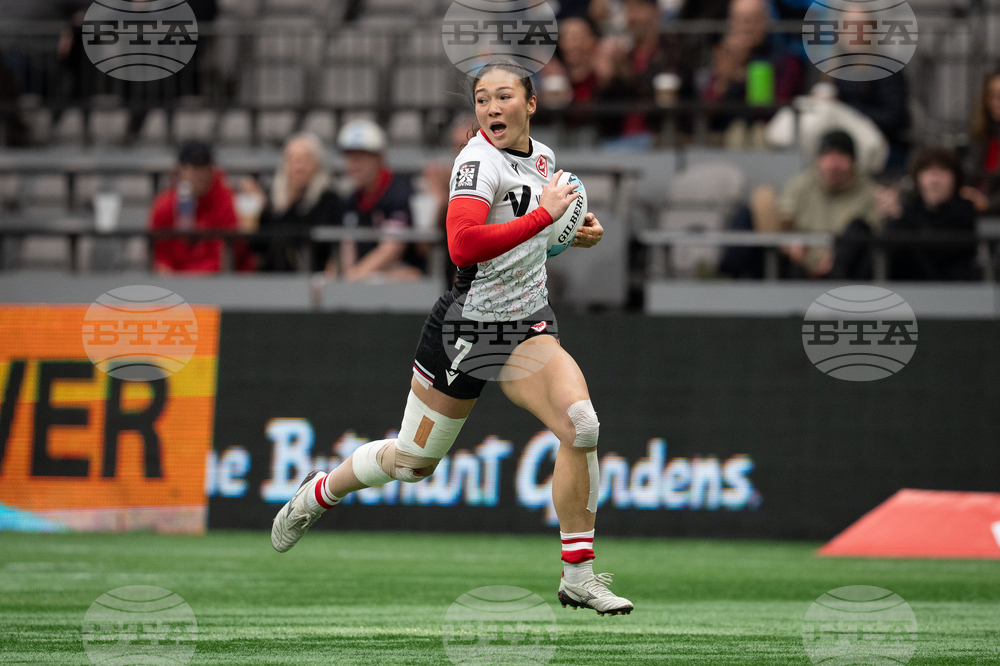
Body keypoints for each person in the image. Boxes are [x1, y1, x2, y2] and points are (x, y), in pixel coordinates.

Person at [270, 59, 634, 617]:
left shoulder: (543, 159)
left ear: (531, 103)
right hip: (468, 327)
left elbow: (529, 239)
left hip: (526, 324)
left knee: (581, 425)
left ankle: (578, 577)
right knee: (413, 463)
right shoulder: (476, 161)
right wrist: (545, 218)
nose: (491, 107)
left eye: (504, 96)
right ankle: (322, 491)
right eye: (482, 98)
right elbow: (463, 245)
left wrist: (571, 235)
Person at [721, 130, 879, 279]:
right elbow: (783, 220)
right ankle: (727, 279)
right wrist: (790, 244)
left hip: (844, 270)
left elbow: (872, 232)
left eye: (841, 156)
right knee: (745, 215)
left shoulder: (869, 192)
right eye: (827, 155)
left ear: (853, 161)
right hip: (797, 265)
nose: (832, 165)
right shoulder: (801, 185)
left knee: (859, 229)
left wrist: (833, 257)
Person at [334, 119, 423, 281]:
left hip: (400, 274)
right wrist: (350, 279)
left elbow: (392, 248)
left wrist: (353, 277)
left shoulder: (399, 190)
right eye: (350, 158)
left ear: (379, 158)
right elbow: (347, 248)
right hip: (362, 278)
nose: (354, 165)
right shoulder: (350, 200)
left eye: (360, 158)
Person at [593, 0, 688, 147]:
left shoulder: (674, 51)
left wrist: (625, 74)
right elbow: (603, 114)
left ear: (656, 11)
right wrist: (605, 82)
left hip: (661, 142)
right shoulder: (622, 57)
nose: (632, 16)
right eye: (628, 9)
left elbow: (677, 95)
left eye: (638, 8)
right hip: (616, 142)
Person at [700, 0, 804, 134]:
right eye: (740, 20)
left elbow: (774, 111)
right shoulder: (723, 55)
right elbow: (700, 116)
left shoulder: (786, 59)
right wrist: (722, 80)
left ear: (766, 20)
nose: (746, 27)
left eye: (754, 19)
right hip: (722, 137)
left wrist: (743, 76)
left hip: (769, 135)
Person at [243, 133, 340, 272]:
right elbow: (258, 246)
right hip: (273, 278)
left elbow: (314, 241)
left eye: (306, 159)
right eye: (293, 159)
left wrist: (292, 204)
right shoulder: (273, 201)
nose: (299, 166)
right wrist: (261, 210)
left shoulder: (329, 199)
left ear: (317, 165)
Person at [149, 141, 249, 273]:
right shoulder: (165, 204)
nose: (201, 174)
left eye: (205, 167)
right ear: (181, 169)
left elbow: (224, 258)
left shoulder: (226, 200)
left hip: (214, 281)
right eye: (194, 168)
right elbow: (160, 256)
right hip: (175, 281)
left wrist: (187, 278)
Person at [883, 148, 978, 281]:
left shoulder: (964, 212)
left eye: (942, 171)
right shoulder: (908, 211)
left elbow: (939, 254)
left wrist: (902, 220)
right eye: (928, 171)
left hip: (952, 287)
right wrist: (893, 218)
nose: (934, 181)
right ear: (917, 178)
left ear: (956, 178)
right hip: (907, 287)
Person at [964, 68, 1000, 216]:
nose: (995, 102)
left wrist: (989, 202)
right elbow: (971, 172)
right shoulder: (981, 135)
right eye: (991, 95)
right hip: (976, 207)